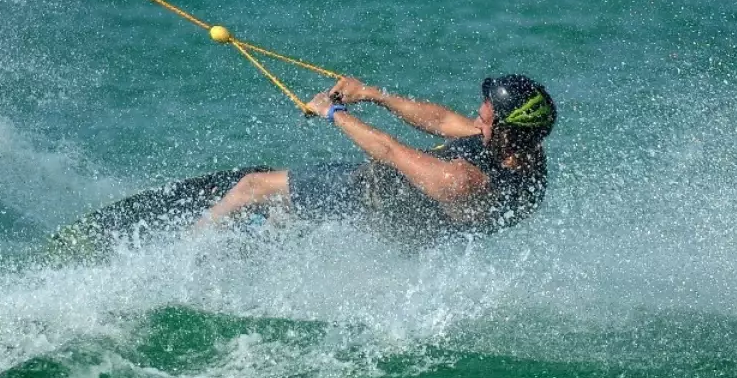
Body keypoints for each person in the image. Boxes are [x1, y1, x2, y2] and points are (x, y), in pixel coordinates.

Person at [194, 74, 557, 248]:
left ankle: (182, 252)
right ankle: (256, 249)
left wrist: (332, 111)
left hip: (380, 202)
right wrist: (372, 94)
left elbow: (388, 150)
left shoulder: (463, 182)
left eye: (485, 119)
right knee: (287, 221)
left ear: (506, 130)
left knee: (252, 186)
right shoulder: (525, 148)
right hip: (406, 216)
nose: (477, 123)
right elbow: (443, 122)